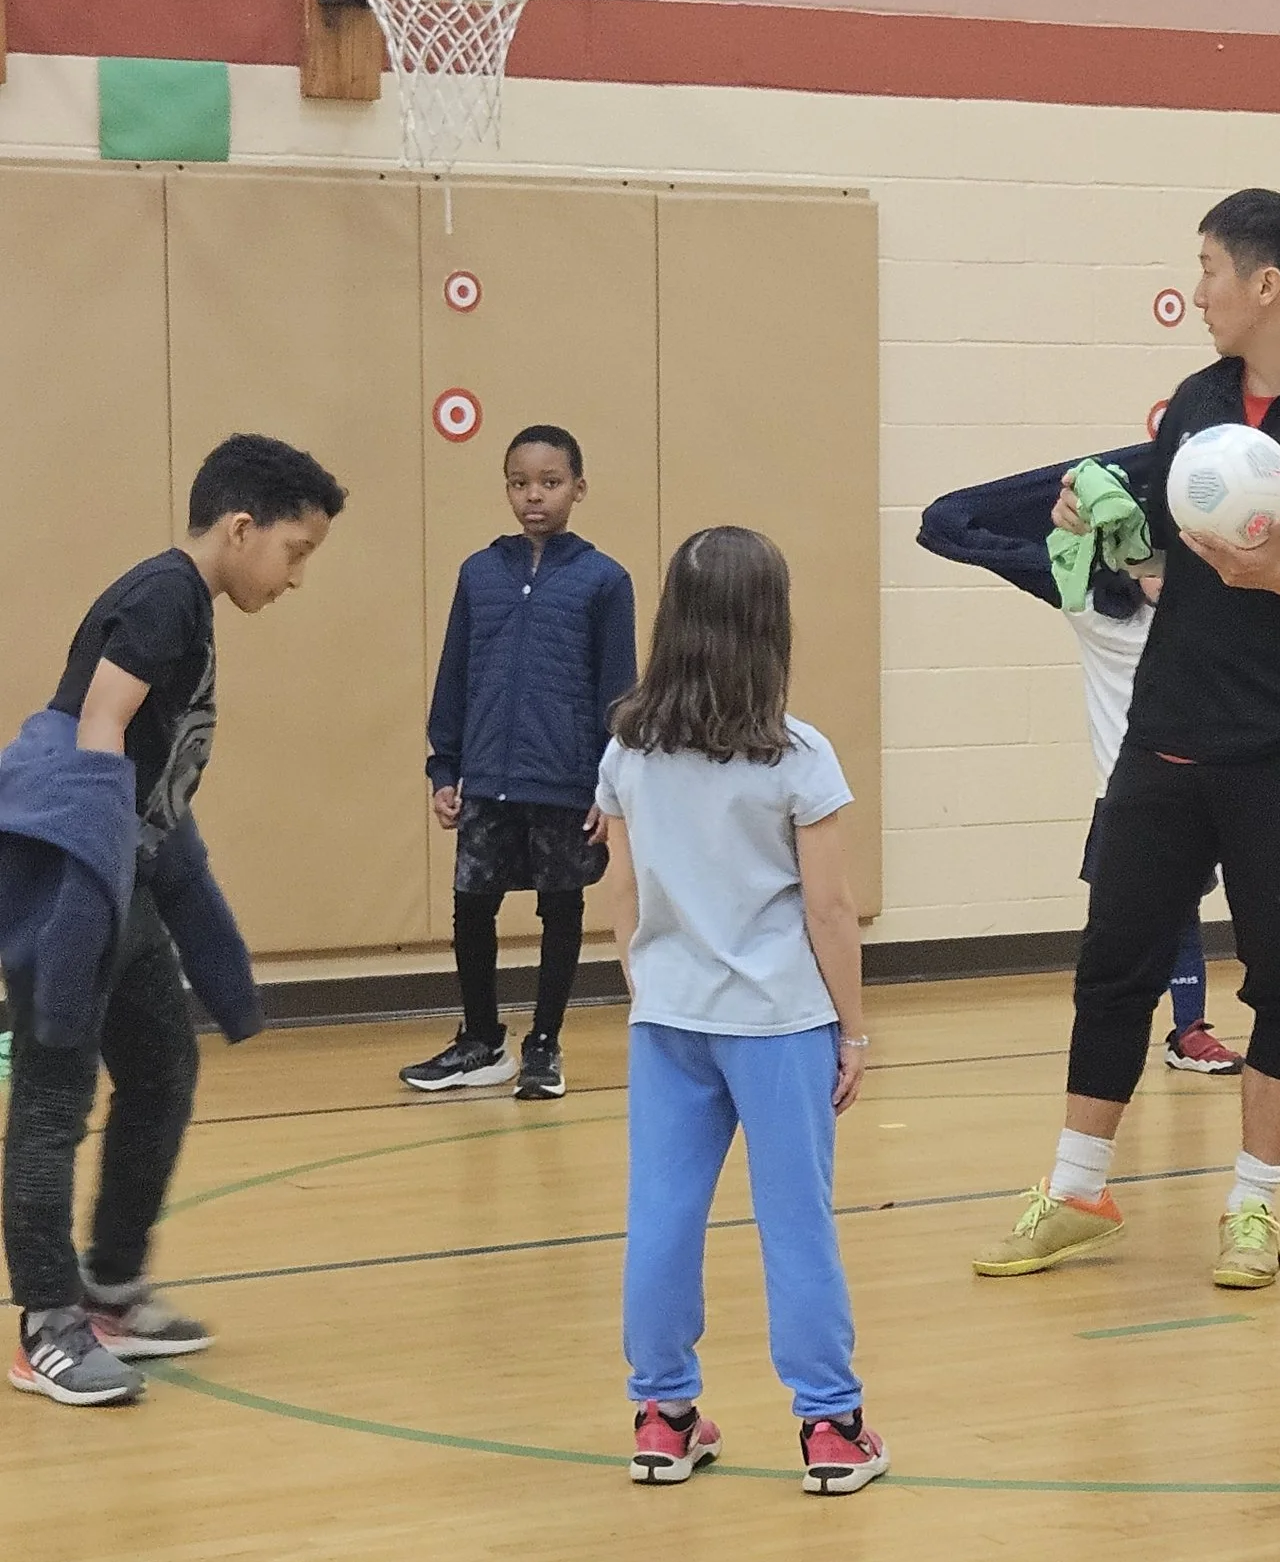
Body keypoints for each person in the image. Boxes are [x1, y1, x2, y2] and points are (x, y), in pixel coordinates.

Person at [972, 187, 1280, 1293]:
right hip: (1164, 730)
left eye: (1211, 270)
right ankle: (1077, 1192)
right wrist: (1105, 526)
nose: (1198, 291)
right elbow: (1166, 550)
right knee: (1110, 964)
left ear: (1266, 283)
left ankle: (1252, 1210)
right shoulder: (1195, 405)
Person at [4, 433, 344, 1408]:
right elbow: (102, 726)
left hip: (124, 870)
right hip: (71, 880)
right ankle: (47, 1327)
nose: (295, 578)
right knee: (50, 1103)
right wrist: (95, 904)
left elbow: (159, 783)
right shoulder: (165, 596)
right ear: (241, 528)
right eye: (295, 552)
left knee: (160, 1069)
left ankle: (109, 1289)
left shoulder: (192, 607)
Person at [596, 525, 884, 1495]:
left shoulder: (629, 750)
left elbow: (623, 897)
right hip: (778, 1022)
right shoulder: (796, 757)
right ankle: (831, 1427)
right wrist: (850, 1027)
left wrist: (652, 989)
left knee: (662, 1217)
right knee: (795, 1222)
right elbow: (830, 909)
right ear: (772, 625)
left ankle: (662, 1415)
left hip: (669, 1017)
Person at [916, 447, 1244, 1074]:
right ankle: (1123, 1038)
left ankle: (1188, 1031)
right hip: (1125, 794)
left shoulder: (1220, 613)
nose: (1162, 577)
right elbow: (947, 521)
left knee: (1183, 907)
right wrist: (1130, 464)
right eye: (1149, 561)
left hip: (1202, 787)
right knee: (1122, 931)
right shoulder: (1091, 604)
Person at [402, 426, 636, 1103]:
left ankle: (544, 1044)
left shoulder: (604, 580)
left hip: (566, 782)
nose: (534, 495)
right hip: (487, 777)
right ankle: (481, 1040)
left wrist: (608, 783)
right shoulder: (479, 573)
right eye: (520, 482)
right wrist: (443, 767)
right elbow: (456, 674)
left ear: (578, 488)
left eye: (550, 482)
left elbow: (619, 691)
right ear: (506, 487)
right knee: (471, 904)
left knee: (560, 910)